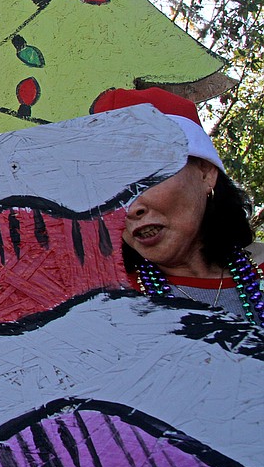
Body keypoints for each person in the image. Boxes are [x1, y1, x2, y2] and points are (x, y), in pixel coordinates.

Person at [93, 87, 264, 325]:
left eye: (147, 177)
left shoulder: (260, 268)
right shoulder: (102, 309)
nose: (130, 209)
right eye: (111, 189)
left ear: (205, 173)